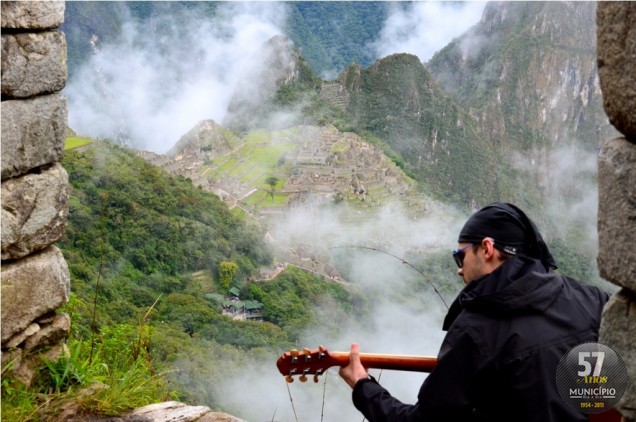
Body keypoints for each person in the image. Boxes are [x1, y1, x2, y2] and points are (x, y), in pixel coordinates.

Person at [339, 202, 610, 422]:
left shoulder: (476, 329)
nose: (459, 269)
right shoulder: (593, 298)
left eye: (461, 256)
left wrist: (363, 386)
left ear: (487, 249)